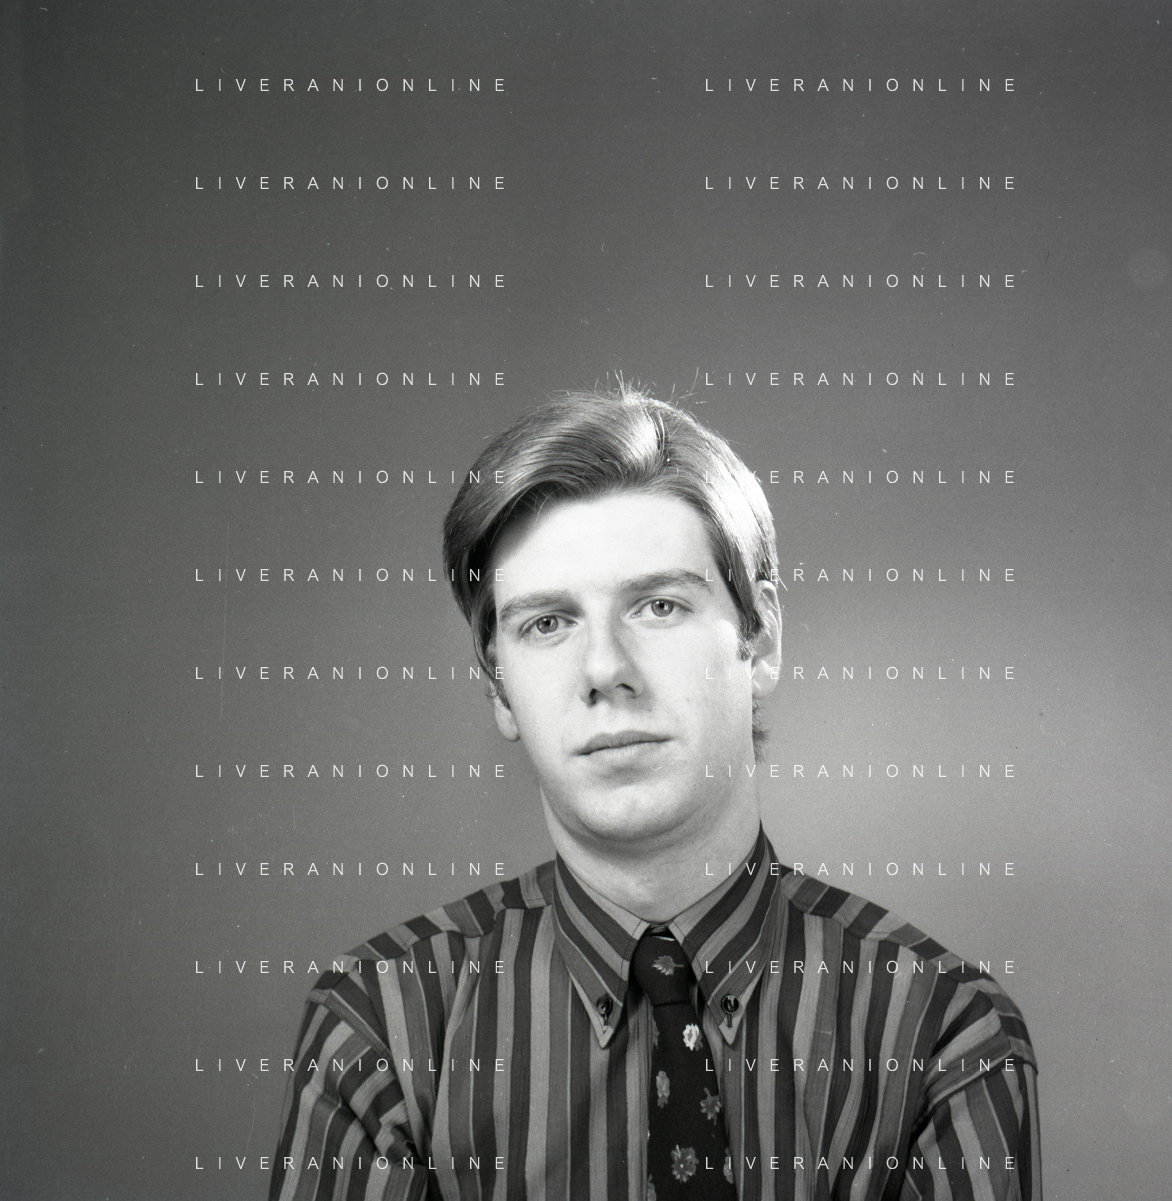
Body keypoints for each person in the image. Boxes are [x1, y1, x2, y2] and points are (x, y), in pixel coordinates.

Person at [270, 385, 1040, 1201]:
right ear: (499, 688)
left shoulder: (945, 1034)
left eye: (659, 605)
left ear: (760, 637)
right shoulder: (380, 1032)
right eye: (547, 623)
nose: (605, 669)